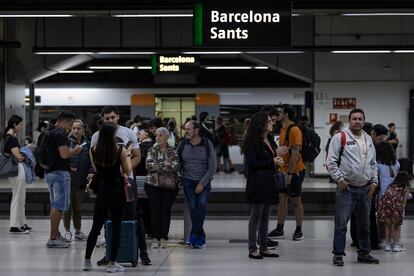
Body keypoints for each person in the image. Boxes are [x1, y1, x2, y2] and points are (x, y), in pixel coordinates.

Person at [91, 106, 151, 266]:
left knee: (134, 215)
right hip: (107, 183)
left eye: (112, 117)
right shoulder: (97, 136)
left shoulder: (129, 133)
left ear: (117, 117)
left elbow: (138, 156)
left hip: (126, 181)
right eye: (107, 118)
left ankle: (143, 253)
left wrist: (125, 169)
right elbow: (96, 162)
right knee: (108, 219)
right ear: (102, 119)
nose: (110, 120)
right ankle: (109, 254)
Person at [327, 108, 380, 266]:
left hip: (365, 188)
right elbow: (330, 162)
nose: (358, 121)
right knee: (341, 224)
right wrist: (339, 180)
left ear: (364, 121)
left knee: (365, 224)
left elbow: (373, 163)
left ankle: (364, 253)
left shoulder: (368, 139)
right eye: (354, 119)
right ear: (349, 121)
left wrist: (374, 182)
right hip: (346, 188)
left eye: (360, 119)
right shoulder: (340, 137)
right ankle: (338, 254)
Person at [83, 122, 132, 273]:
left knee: (95, 227)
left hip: (102, 190)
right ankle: (112, 263)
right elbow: (127, 170)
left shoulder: (93, 150)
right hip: (117, 190)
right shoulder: (120, 150)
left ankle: (86, 261)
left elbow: (97, 170)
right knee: (116, 226)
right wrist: (128, 156)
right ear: (112, 135)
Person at [241, 112, 284, 259]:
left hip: (269, 181)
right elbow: (252, 163)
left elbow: (271, 159)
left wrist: (277, 161)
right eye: (269, 121)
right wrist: (272, 162)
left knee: (266, 216)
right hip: (257, 182)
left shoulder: (270, 140)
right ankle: (252, 248)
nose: (272, 123)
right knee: (256, 216)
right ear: (261, 124)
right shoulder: (252, 142)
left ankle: (264, 247)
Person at [44, 110, 82, 248]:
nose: (71, 128)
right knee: (58, 206)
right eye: (71, 124)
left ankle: (56, 234)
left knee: (55, 204)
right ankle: (53, 238)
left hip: (49, 172)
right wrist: (75, 151)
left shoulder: (48, 132)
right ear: (64, 121)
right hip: (59, 173)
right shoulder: (60, 134)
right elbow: (65, 154)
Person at [269, 104, 305, 241]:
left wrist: (290, 173)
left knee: (296, 200)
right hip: (282, 170)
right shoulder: (283, 128)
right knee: (281, 200)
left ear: (286, 114)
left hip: (294, 171)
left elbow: (295, 153)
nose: (277, 114)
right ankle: (280, 228)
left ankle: (299, 230)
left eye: (280, 112)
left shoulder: (294, 129)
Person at [178, 120, 216, 248]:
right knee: (193, 207)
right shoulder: (183, 144)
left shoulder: (207, 144)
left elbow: (212, 167)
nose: (186, 131)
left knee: (201, 205)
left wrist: (202, 184)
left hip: (203, 180)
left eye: (189, 129)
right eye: (186, 129)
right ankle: (199, 237)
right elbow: (176, 161)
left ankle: (194, 236)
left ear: (197, 130)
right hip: (187, 180)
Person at [145, 127, 179, 249]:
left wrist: (158, 166)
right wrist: (164, 164)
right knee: (155, 211)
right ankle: (155, 237)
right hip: (152, 185)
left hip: (168, 185)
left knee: (165, 211)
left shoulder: (173, 151)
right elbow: (148, 166)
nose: (158, 137)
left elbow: (175, 166)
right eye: (156, 135)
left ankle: (164, 237)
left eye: (160, 135)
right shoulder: (151, 150)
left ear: (166, 137)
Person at [2, 115, 33, 233]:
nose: (21, 126)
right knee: (17, 197)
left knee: (21, 197)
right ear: (14, 125)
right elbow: (19, 157)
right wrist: (26, 153)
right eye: (20, 124)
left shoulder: (10, 136)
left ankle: (22, 223)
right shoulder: (10, 138)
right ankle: (14, 225)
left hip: (17, 170)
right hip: (16, 170)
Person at [63, 119, 91, 241]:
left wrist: (91, 172)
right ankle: (67, 231)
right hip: (68, 180)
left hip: (81, 180)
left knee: (78, 207)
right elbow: (63, 159)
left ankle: (78, 231)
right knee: (67, 207)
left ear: (83, 130)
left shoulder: (88, 144)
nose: (76, 130)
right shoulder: (66, 143)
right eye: (74, 128)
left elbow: (91, 161)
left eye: (78, 128)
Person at [377, 171, 411, 252]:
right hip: (396, 208)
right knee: (397, 226)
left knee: (387, 226)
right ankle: (396, 245)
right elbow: (404, 203)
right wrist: (402, 213)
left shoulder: (391, 186)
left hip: (386, 207)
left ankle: (388, 245)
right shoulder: (405, 188)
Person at [376, 141, 400, 248]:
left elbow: (377, 181)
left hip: (384, 195)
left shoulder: (378, 164)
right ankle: (395, 242)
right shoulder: (397, 164)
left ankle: (385, 240)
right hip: (396, 195)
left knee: (384, 219)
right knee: (395, 219)